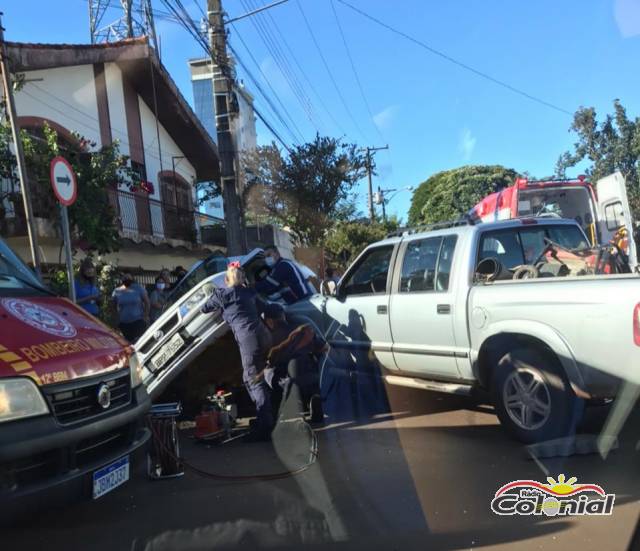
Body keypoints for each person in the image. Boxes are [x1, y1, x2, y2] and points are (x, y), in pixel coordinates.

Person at [201, 262, 274, 440]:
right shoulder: (250, 292)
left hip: (249, 340)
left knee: (253, 379)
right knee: (256, 377)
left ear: (226, 280)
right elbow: (265, 307)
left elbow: (204, 308)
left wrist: (211, 291)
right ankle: (266, 418)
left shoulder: (222, 295)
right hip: (264, 336)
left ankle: (266, 428)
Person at [262, 304, 327, 423]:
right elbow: (323, 347)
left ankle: (275, 412)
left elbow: (266, 361)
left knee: (265, 373)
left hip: (287, 381)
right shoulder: (301, 329)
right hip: (311, 376)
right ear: (283, 317)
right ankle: (314, 398)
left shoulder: (268, 338)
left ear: (269, 321)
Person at [112, 272, 150, 343]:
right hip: (124, 323)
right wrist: (116, 320)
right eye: (125, 278)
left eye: (128, 278)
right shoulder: (117, 291)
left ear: (132, 278)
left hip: (138, 321)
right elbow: (113, 306)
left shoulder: (139, 288)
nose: (126, 279)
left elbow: (147, 302)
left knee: (139, 343)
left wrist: (145, 316)